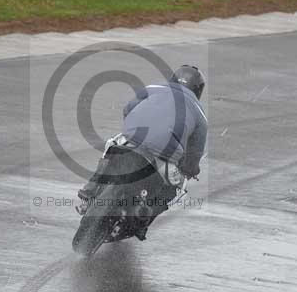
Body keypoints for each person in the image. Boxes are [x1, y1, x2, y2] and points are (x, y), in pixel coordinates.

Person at [76, 65, 208, 239]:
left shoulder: (151, 88)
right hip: (164, 157)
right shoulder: (199, 113)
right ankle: (144, 218)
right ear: (198, 90)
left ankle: (89, 190)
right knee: (178, 187)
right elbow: (194, 154)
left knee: (111, 146)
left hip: (131, 140)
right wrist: (189, 171)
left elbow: (127, 109)